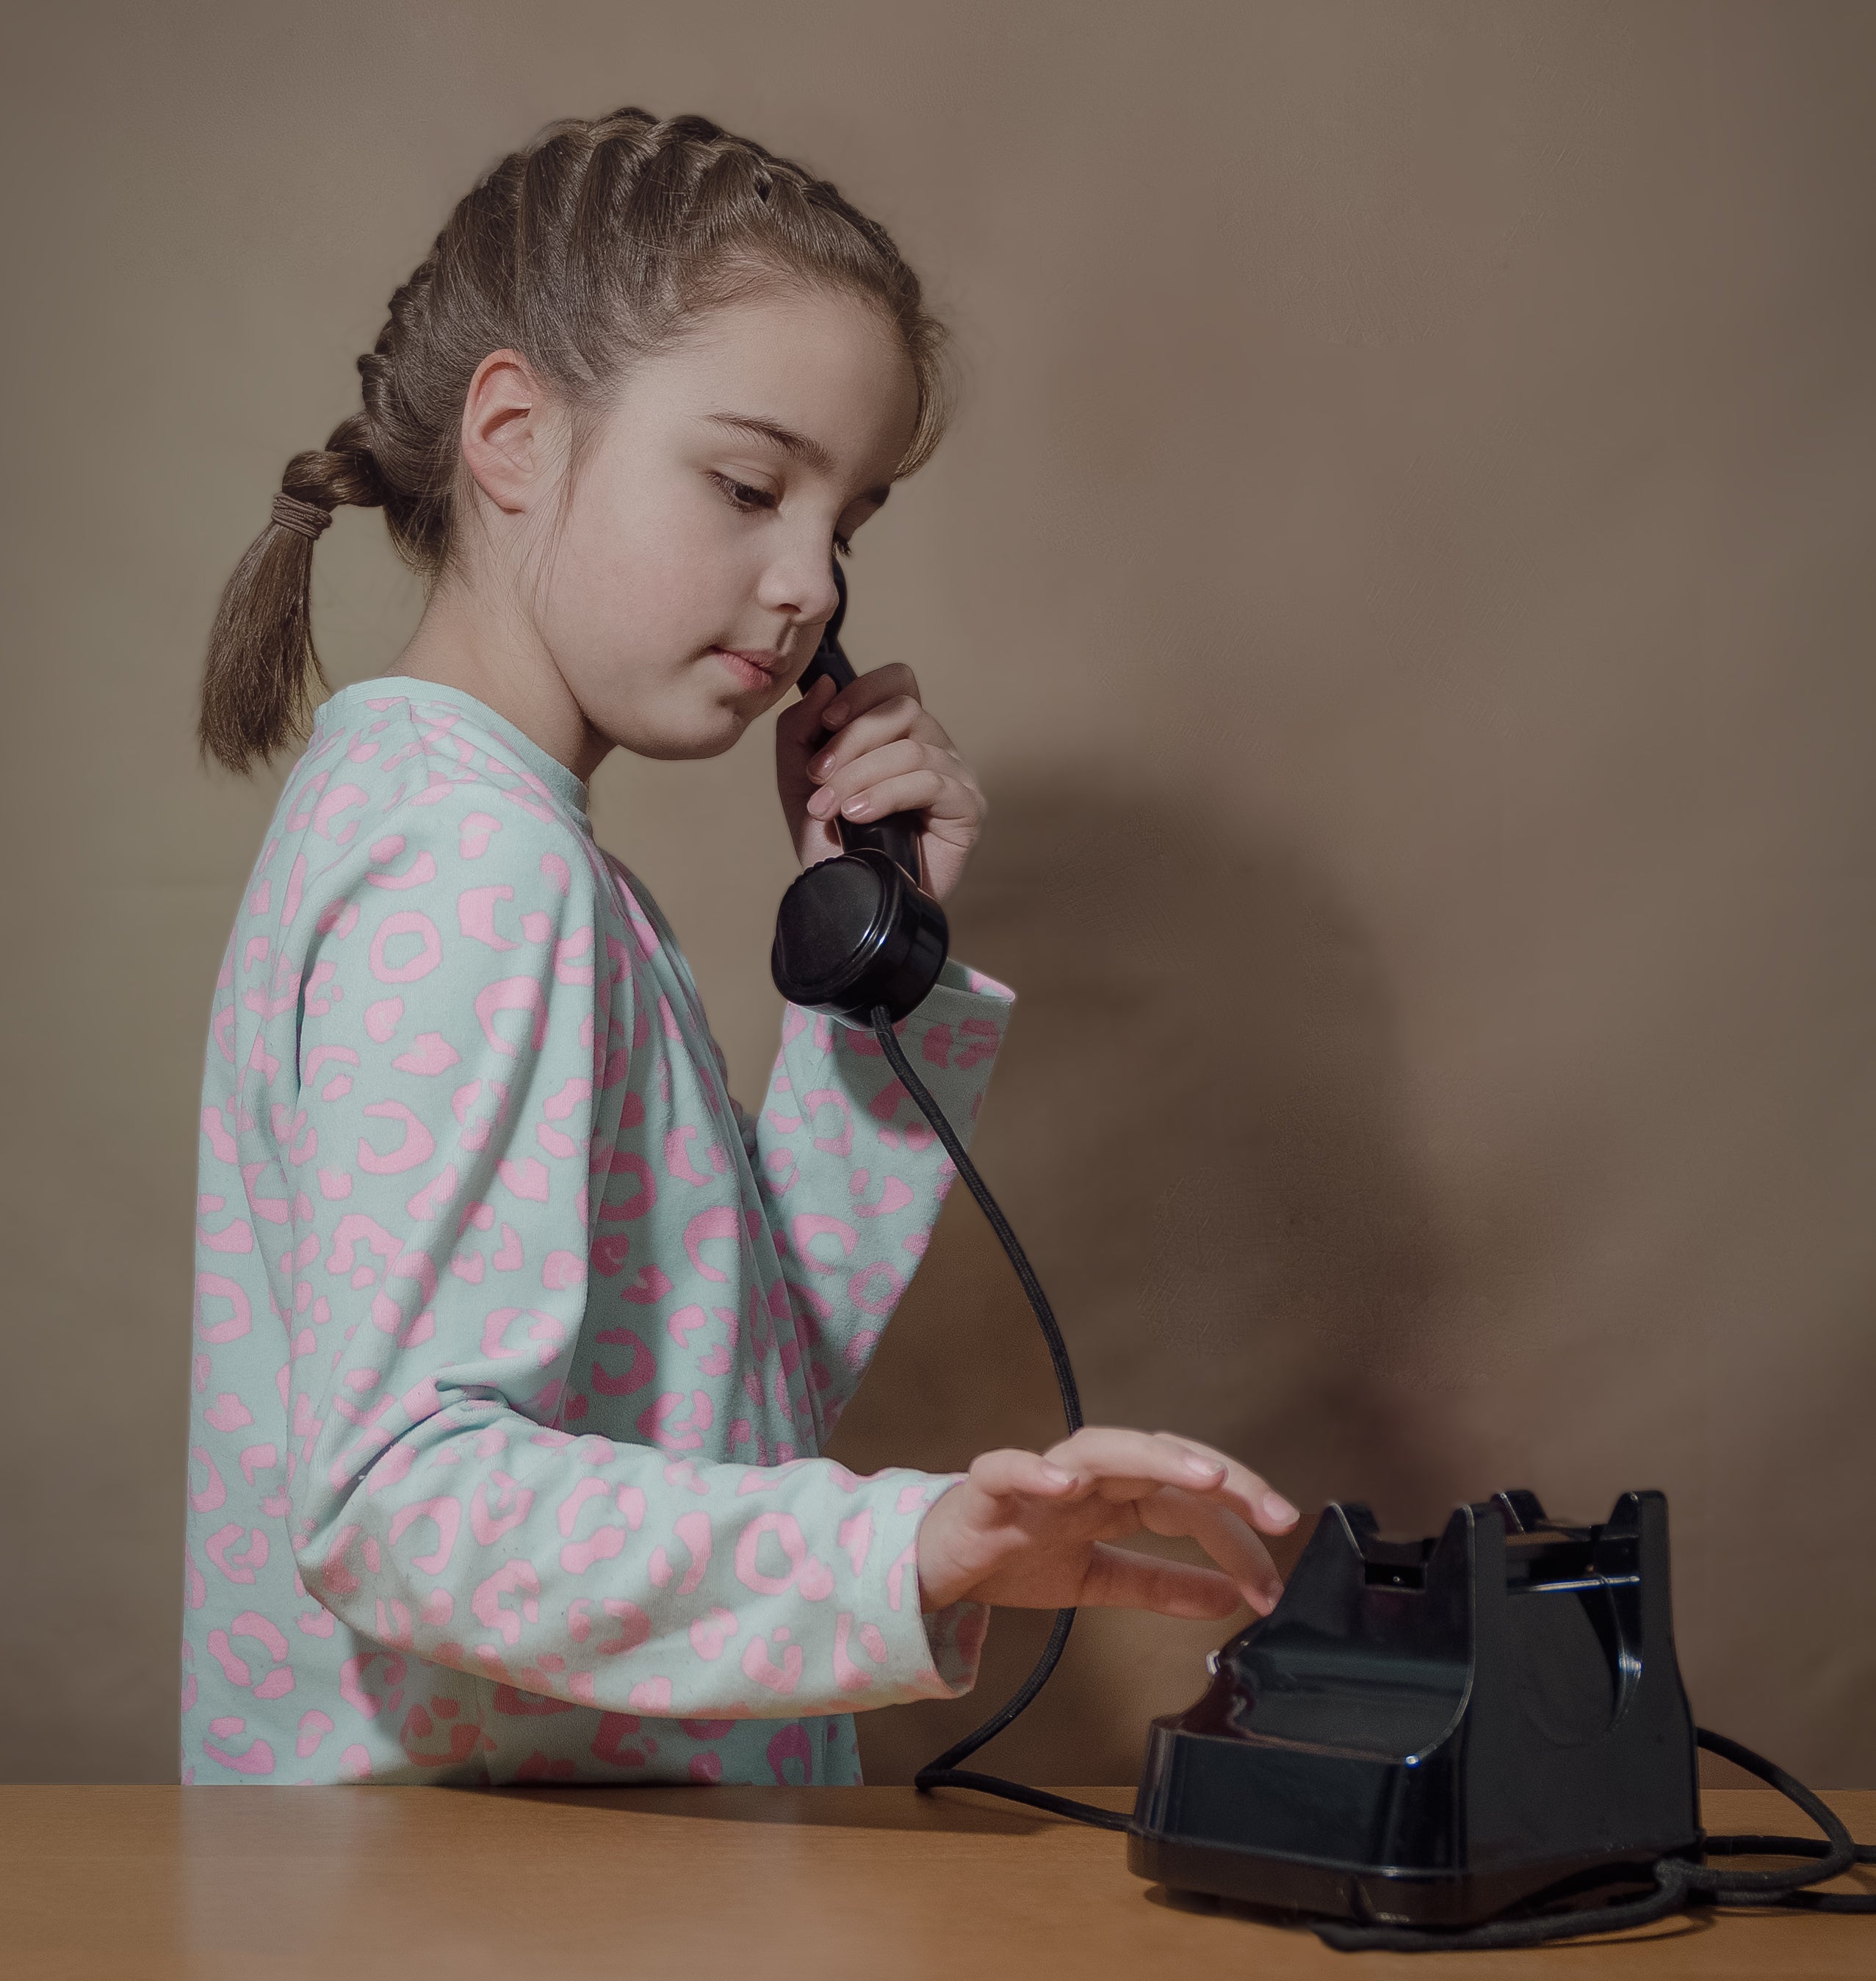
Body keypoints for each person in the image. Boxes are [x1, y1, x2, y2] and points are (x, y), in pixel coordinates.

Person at [182, 105, 1299, 1787]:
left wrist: (881, 976)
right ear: (512, 432)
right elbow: (399, 1499)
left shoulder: (478, 829)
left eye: (841, 527)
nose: (800, 587)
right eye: (747, 484)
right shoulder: (473, 868)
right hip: (489, 1905)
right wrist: (900, 1549)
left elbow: (729, 1379)